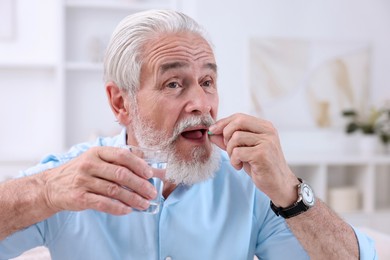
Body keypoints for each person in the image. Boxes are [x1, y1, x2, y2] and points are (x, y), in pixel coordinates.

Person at [0, 9, 376, 260]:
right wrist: (44, 191)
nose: (201, 103)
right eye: (174, 83)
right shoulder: (70, 180)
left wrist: (290, 191)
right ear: (120, 103)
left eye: (208, 81)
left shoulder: (251, 185)